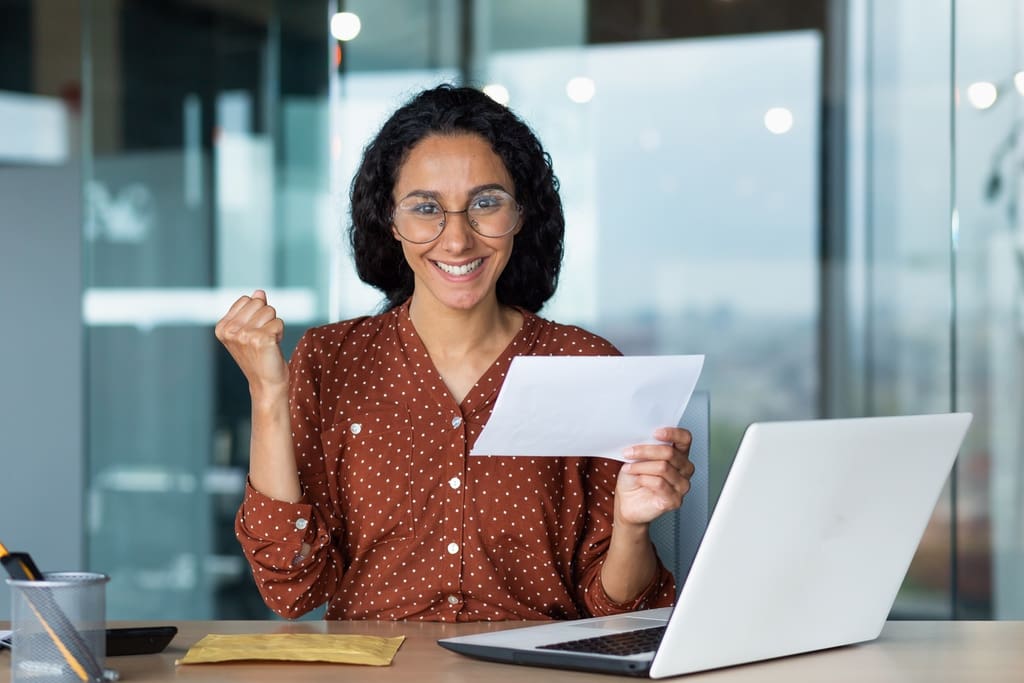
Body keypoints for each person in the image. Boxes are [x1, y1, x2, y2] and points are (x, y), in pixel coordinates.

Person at [216, 84, 695, 622]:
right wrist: (267, 393)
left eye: (485, 203)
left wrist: (631, 526)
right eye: (426, 208)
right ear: (389, 221)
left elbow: (618, 607)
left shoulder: (585, 363)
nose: (457, 239)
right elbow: (292, 586)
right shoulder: (331, 358)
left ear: (521, 215)